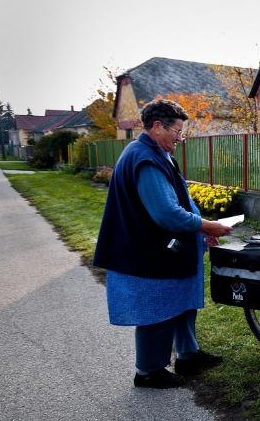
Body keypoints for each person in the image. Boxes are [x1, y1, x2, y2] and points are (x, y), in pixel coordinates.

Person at [93, 99, 233, 389]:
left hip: (165, 248)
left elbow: (180, 196)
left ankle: (187, 355)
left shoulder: (157, 152)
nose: (180, 138)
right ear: (157, 126)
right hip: (148, 251)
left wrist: (199, 229)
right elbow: (166, 212)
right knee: (156, 308)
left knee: (181, 303)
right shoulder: (144, 158)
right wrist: (207, 225)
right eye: (177, 131)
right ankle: (148, 371)